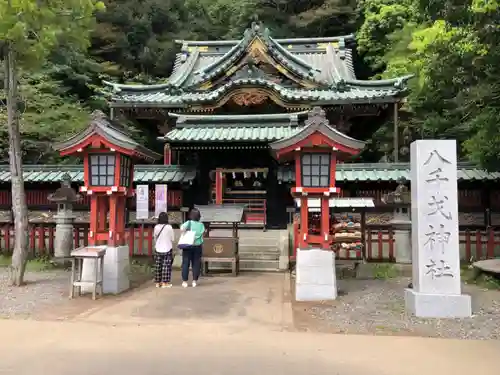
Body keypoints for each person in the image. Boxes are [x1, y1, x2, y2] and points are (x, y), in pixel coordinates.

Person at [179, 208, 205, 287]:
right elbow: (202, 233)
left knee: (185, 263)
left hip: (188, 245)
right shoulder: (201, 225)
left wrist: (185, 231)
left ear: (191, 215)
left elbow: (181, 228)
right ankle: (194, 281)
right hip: (198, 246)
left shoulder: (189, 223)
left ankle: (185, 281)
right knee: (196, 263)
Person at [153, 212, 175, 288]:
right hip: (167, 248)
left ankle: (157, 282)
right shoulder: (169, 227)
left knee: (158, 265)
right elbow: (172, 238)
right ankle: (165, 283)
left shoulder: (156, 227)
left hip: (158, 248)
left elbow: (155, 237)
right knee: (166, 266)